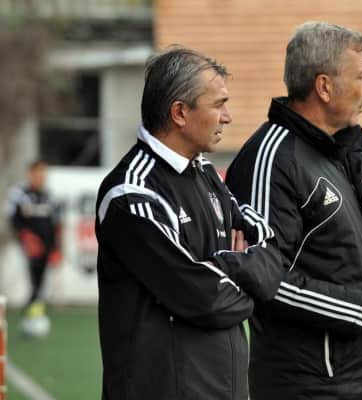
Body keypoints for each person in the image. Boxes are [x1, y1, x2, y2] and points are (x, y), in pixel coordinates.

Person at [226, 22, 362, 399]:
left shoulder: (345, 151)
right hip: (311, 389)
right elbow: (263, 281)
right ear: (324, 87)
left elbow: (351, 255)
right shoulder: (270, 159)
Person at [95, 47, 283, 399]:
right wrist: (246, 277)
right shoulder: (131, 194)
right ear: (180, 112)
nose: (227, 117)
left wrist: (223, 267)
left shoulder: (206, 174)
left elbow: (272, 256)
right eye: (218, 104)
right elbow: (206, 300)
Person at [6, 160, 60, 328]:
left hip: (45, 247)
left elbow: (54, 223)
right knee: (31, 282)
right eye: (38, 173)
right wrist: (26, 237)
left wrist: (55, 248)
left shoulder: (48, 196)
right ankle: (29, 316)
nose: (41, 177)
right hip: (27, 247)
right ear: (30, 174)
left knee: (40, 283)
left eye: (43, 174)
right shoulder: (19, 194)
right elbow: (13, 218)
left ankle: (34, 316)